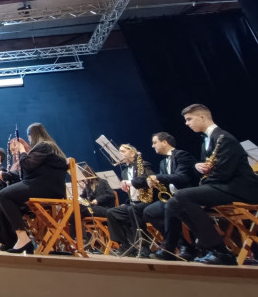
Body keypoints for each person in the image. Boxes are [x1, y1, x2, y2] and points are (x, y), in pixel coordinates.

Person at [166, 104, 258, 265]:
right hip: (224, 186)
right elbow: (210, 170)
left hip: (240, 189)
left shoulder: (224, 138)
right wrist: (197, 167)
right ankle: (214, 249)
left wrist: (203, 183)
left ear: (202, 117)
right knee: (173, 203)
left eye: (189, 119)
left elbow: (224, 173)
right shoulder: (206, 142)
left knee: (183, 196)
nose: (187, 123)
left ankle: (219, 250)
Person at [0, 123, 67, 254]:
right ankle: (13, 238)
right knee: (4, 198)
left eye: (29, 137)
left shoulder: (44, 146)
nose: (29, 140)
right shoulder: (49, 147)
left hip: (44, 188)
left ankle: (23, 238)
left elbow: (27, 165)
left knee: (3, 195)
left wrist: (23, 152)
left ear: (32, 135)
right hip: (47, 187)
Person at [139, 132, 199, 261]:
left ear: (165, 142)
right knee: (149, 212)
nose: (152, 146)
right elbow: (165, 180)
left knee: (170, 208)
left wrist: (158, 177)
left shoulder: (182, 155)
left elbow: (182, 178)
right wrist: (155, 182)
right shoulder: (162, 162)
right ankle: (183, 244)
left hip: (188, 196)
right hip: (173, 198)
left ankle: (169, 248)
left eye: (155, 142)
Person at [105, 144, 155, 256]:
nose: (119, 154)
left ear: (132, 153)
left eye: (122, 151)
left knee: (132, 210)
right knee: (112, 213)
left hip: (146, 202)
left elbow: (149, 179)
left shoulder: (143, 164)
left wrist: (131, 182)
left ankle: (144, 246)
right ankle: (126, 245)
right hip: (133, 203)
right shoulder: (124, 172)